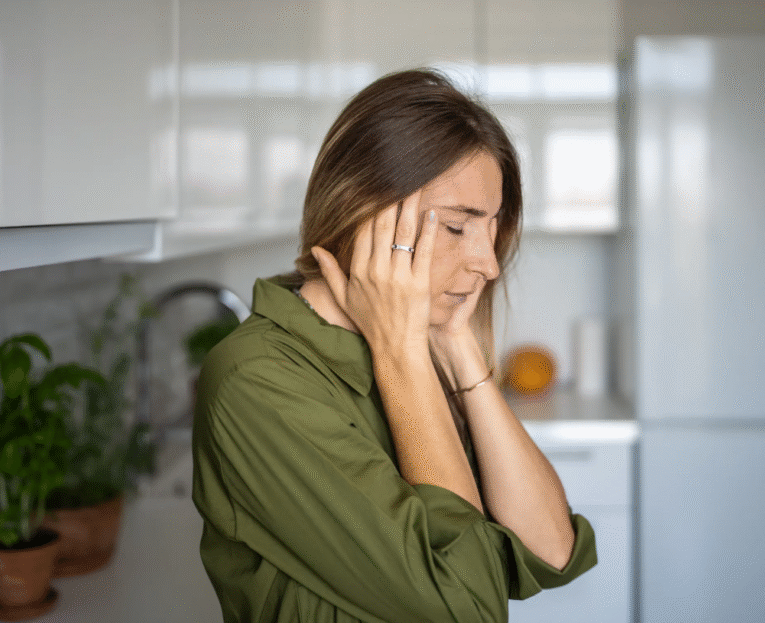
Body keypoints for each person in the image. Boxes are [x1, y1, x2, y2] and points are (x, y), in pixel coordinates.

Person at [191, 68, 597, 623]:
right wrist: (402, 355)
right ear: (364, 215)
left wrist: (454, 344)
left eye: (492, 228)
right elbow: (467, 609)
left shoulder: (422, 345)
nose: (489, 263)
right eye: (457, 228)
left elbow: (552, 550)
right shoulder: (257, 380)